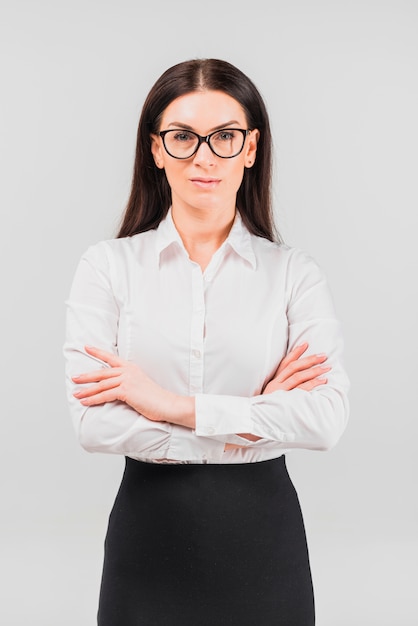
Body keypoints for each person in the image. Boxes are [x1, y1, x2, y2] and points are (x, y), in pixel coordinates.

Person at [64, 58, 349, 626]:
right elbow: (93, 425)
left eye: (224, 137)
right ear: (156, 148)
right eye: (183, 137)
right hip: (148, 539)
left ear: (250, 148)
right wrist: (254, 419)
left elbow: (325, 419)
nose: (203, 156)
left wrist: (166, 405)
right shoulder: (108, 268)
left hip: (263, 544)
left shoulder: (294, 274)